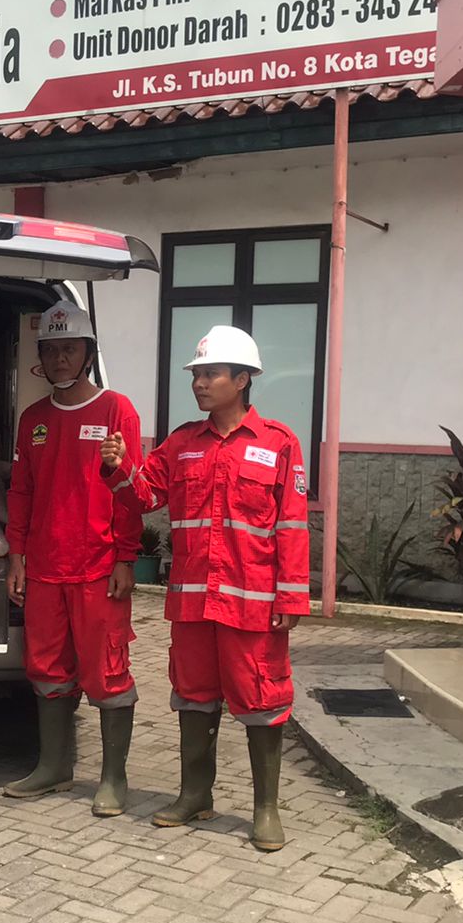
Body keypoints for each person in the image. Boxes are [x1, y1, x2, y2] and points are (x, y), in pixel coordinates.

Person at [100, 325, 312, 851]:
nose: (199, 382)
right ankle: (195, 795)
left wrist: (290, 596)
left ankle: (265, 809)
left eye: (210, 373)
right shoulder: (181, 443)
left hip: (253, 601)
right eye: (196, 374)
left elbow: (291, 525)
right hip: (193, 599)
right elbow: (145, 497)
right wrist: (118, 467)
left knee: (262, 698)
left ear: (242, 380)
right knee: (192, 697)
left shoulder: (279, 443)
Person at [3, 300, 144, 816]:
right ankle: (53, 767)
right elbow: (21, 492)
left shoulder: (116, 411)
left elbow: (132, 489)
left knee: (107, 673)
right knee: (46, 669)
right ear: (40, 356)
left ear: (88, 353)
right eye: (51, 349)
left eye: (70, 348)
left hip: (98, 568)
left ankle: (113, 778)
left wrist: (126, 556)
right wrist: (15, 555)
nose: (60, 358)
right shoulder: (34, 419)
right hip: (44, 567)